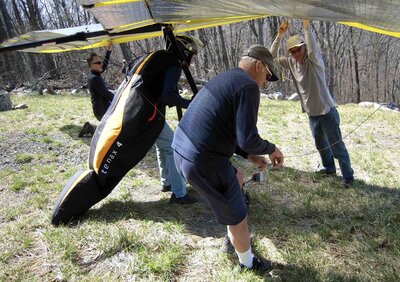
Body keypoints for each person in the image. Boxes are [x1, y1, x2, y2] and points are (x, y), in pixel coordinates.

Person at [51, 35, 201, 226]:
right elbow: (167, 96)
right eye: (191, 55)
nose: (192, 59)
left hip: (140, 113)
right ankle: (179, 194)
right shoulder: (172, 62)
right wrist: (191, 103)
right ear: (184, 51)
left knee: (162, 143)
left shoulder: (154, 56)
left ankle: (167, 182)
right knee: (173, 146)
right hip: (144, 117)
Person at [172, 45, 284, 273]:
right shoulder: (248, 87)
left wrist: (250, 156)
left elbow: (224, 130)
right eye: (267, 76)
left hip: (181, 150)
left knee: (237, 177)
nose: (264, 83)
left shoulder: (227, 78)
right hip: (203, 160)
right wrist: (272, 149)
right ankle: (247, 263)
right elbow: (248, 138)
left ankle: (233, 237)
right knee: (239, 218)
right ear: (259, 66)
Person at [270, 19, 354, 187]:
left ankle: (348, 178)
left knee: (337, 147)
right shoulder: (291, 63)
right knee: (321, 145)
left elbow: (313, 47)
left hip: (327, 112)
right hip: (312, 114)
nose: (296, 54)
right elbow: (270, 57)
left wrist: (306, 27)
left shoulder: (314, 61)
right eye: (292, 51)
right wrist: (279, 36)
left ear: (304, 47)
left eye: (298, 49)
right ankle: (329, 169)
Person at [78, 41, 114, 137]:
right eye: (97, 62)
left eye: (100, 61)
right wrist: (120, 99)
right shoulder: (94, 78)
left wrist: (108, 51)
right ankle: (90, 129)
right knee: (109, 133)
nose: (100, 64)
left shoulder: (94, 73)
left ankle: (90, 128)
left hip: (104, 108)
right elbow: (106, 94)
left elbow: (104, 66)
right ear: (91, 65)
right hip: (102, 112)